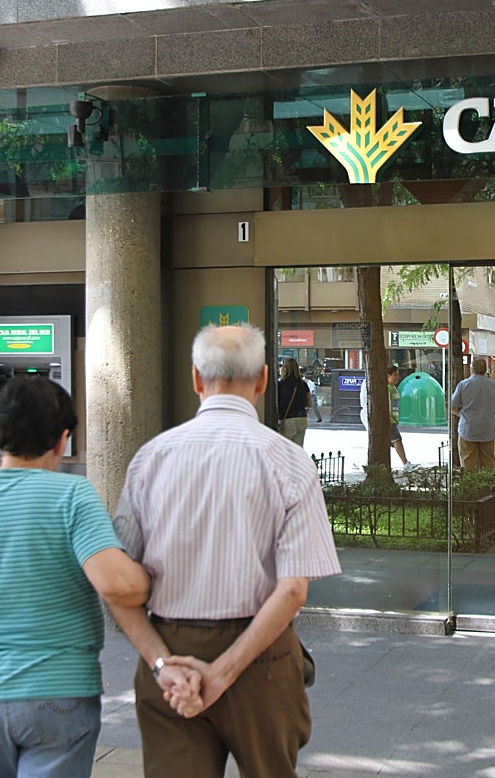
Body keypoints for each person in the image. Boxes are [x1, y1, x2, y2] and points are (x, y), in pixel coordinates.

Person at [111, 324, 342, 778]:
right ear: (261, 381)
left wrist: (160, 663)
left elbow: (119, 584)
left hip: (171, 651)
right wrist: (224, 672)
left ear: (196, 379)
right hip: (263, 657)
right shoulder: (289, 462)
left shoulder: (150, 458)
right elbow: (293, 591)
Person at [0, 375, 158, 778]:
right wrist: (145, 577)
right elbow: (119, 585)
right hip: (54, 691)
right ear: (62, 439)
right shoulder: (71, 496)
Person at [450, 356, 495, 470]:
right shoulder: (494, 385)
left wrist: (462, 414)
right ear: (485, 370)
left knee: (468, 463)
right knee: (488, 462)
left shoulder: (463, 385)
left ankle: (472, 486)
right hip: (487, 430)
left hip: (467, 429)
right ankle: (488, 486)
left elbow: (453, 407)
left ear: (471, 369)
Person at [276, 356, 310, 446]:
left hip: (288, 420)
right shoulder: (303, 384)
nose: (279, 368)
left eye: (281, 365)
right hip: (302, 419)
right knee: (297, 450)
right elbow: (309, 403)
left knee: (283, 450)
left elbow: (278, 403)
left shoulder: (281, 384)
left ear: (285, 369)